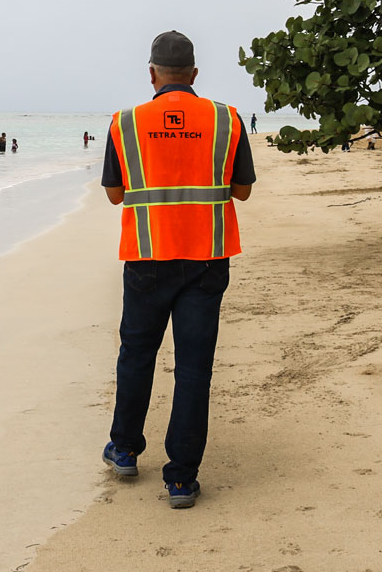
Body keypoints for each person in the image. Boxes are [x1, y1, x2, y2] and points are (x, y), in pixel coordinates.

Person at [101, 30, 256, 510]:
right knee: (193, 369)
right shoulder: (225, 119)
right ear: (193, 74)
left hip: (147, 259)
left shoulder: (126, 122)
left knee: (137, 356)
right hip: (206, 259)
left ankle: (125, 448)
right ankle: (181, 479)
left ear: (152, 74)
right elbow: (243, 191)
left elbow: (114, 194)